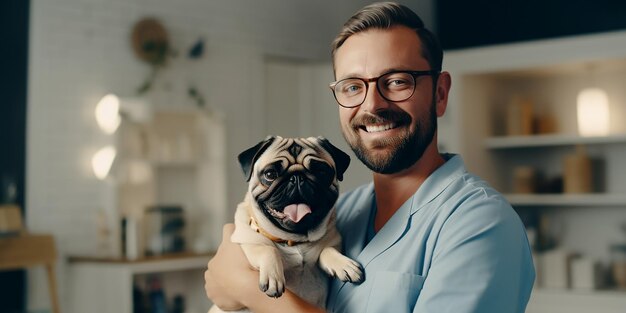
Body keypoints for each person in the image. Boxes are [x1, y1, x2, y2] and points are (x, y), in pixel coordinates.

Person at [204, 2, 535, 312]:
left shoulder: (480, 223)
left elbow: (239, 286)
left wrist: (248, 288)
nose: (372, 105)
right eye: (352, 87)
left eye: (396, 81)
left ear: (439, 93)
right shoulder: (340, 213)